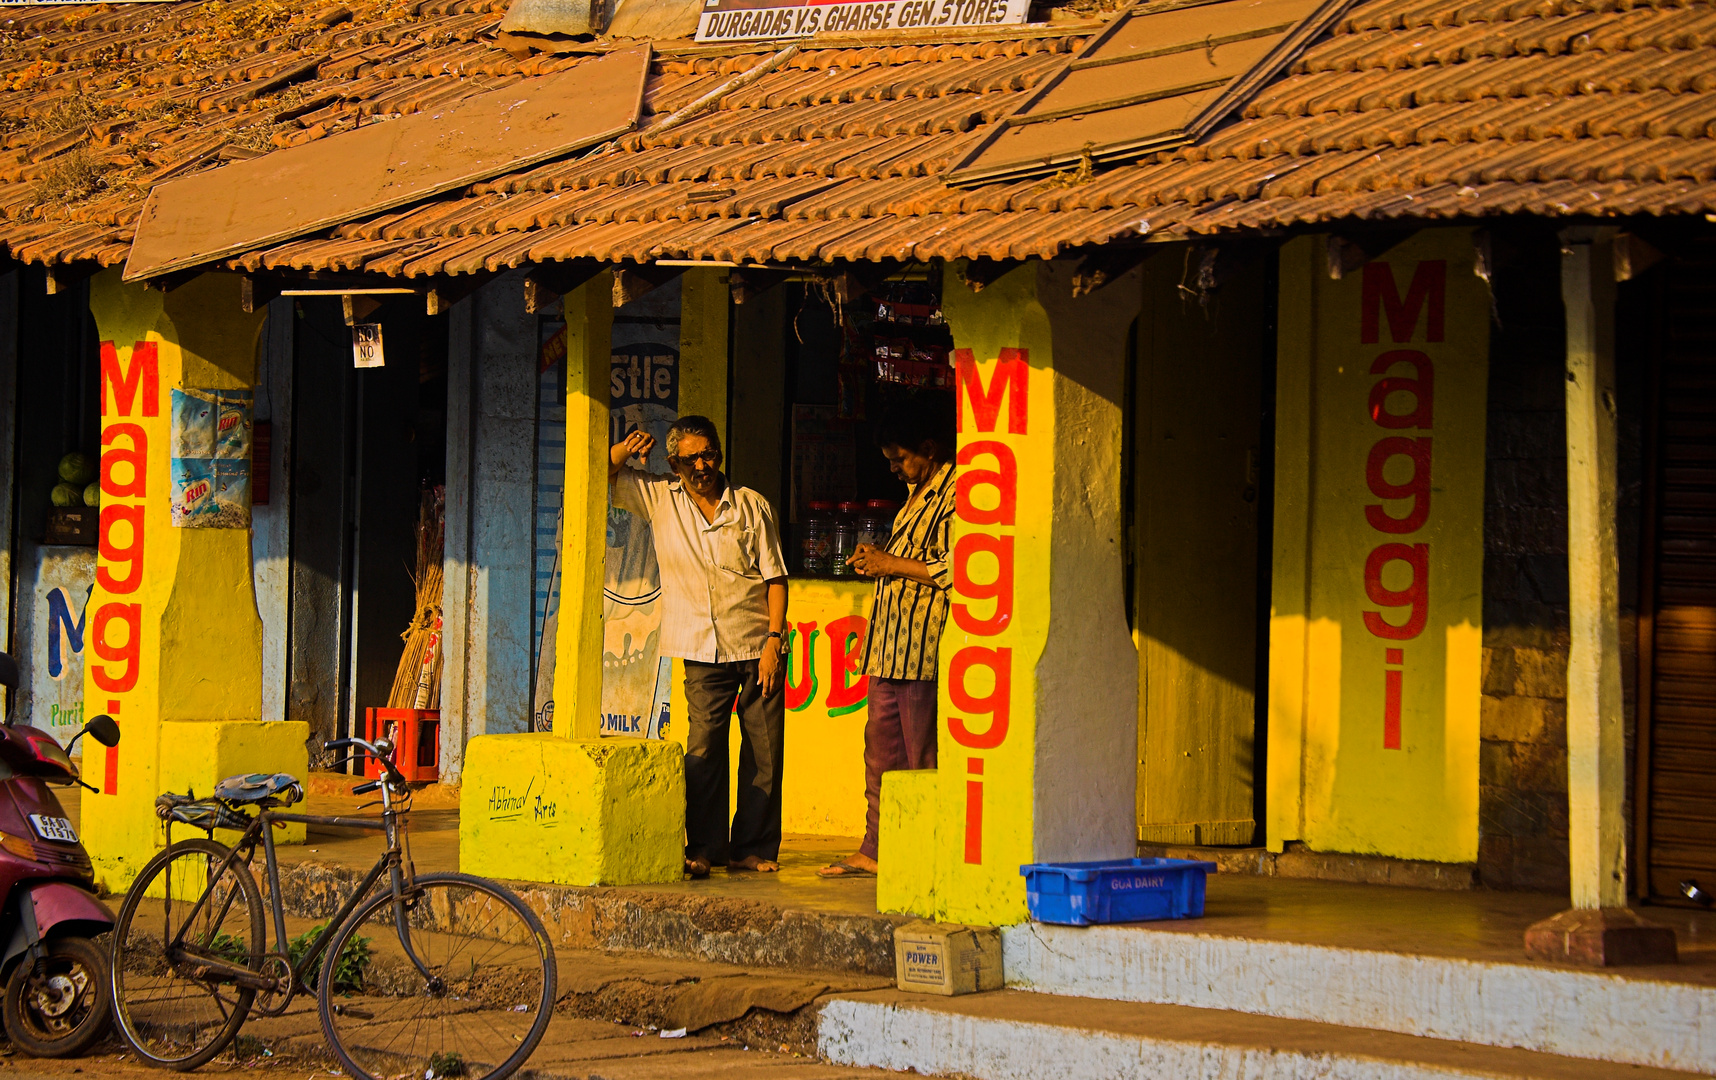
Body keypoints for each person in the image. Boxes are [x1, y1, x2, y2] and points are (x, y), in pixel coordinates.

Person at [609, 416, 789, 878]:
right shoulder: (658, 497)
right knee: (704, 750)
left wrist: (774, 640)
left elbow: (775, 578)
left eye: (708, 454)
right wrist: (624, 450)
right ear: (674, 463)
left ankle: (751, 847)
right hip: (698, 648)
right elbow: (599, 474)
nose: (701, 465)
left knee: (763, 753)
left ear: (719, 454)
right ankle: (706, 846)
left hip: (755, 645)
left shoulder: (751, 505)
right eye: (690, 459)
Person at [819, 393, 957, 879]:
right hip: (887, 648)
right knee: (880, 757)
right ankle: (875, 849)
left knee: (922, 759)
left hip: (922, 648)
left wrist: (889, 563)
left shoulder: (957, 492)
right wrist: (878, 561)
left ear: (928, 447)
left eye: (900, 459)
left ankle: (924, 853)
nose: (895, 469)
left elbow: (956, 568)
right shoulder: (913, 497)